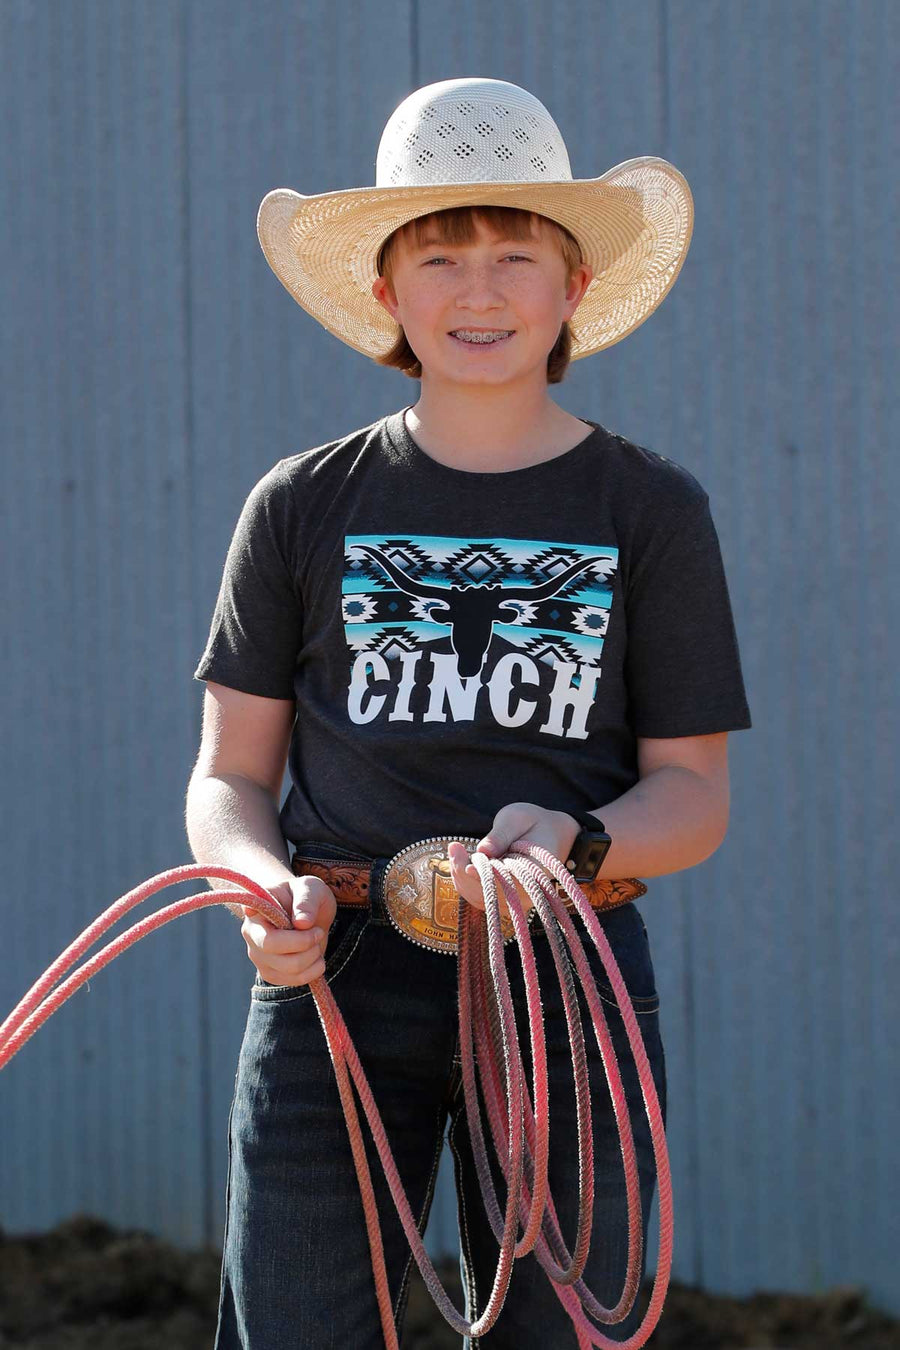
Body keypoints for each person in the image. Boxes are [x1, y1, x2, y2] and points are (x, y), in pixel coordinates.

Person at [186, 77, 752, 1349]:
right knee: (295, 1324)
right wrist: (255, 885)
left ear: (575, 291)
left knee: (568, 1329)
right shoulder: (301, 503)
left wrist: (578, 840)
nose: (480, 292)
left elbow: (695, 794)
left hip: (565, 971)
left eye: (516, 257)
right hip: (333, 961)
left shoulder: (650, 510)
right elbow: (228, 776)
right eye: (440, 257)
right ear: (386, 292)